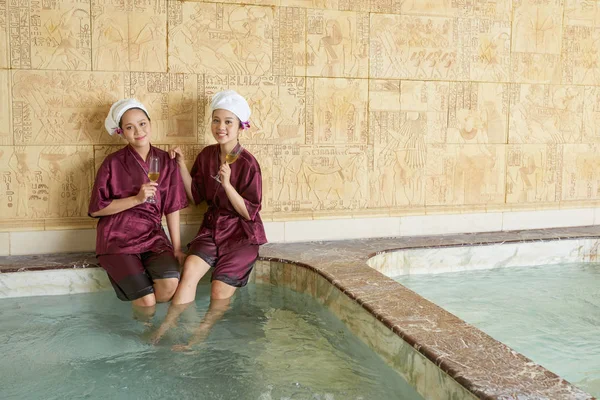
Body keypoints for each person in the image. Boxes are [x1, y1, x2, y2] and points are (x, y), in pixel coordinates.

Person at [151, 90, 267, 346]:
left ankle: (196, 340)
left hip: (241, 234)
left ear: (240, 126)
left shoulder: (248, 163)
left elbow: (250, 212)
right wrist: (181, 164)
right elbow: (196, 197)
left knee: (217, 290)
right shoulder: (206, 155)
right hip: (213, 228)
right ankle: (164, 329)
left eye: (228, 121)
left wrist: (227, 185)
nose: (221, 127)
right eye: (216, 120)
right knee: (190, 270)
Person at [88, 99, 188, 315]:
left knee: (170, 283)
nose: (138, 131)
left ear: (150, 124)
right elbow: (97, 209)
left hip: (152, 235)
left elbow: (172, 206)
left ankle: (145, 317)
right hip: (116, 237)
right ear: (121, 132)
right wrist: (136, 199)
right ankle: (144, 325)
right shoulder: (112, 163)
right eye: (129, 127)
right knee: (147, 300)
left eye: (142, 124)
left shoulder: (166, 160)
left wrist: (177, 248)